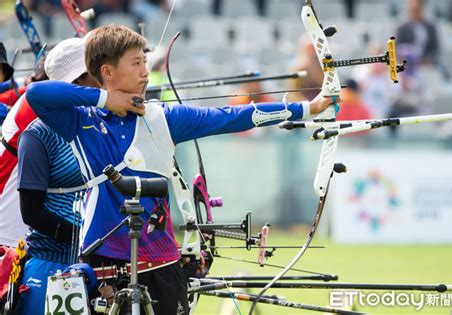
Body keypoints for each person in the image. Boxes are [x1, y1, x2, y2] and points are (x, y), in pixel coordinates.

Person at [25, 24, 337, 314]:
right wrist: (107, 99)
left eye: (145, 63)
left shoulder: (164, 118)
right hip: (104, 269)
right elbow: (36, 94)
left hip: (162, 266)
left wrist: (308, 107)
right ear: (107, 71)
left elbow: (231, 115)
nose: (146, 73)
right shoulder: (82, 121)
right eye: (135, 63)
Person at [15, 37, 100, 315]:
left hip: (99, 265)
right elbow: (31, 211)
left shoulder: (100, 127)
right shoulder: (37, 135)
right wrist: (85, 237)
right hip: (52, 265)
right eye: (95, 73)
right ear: (78, 82)